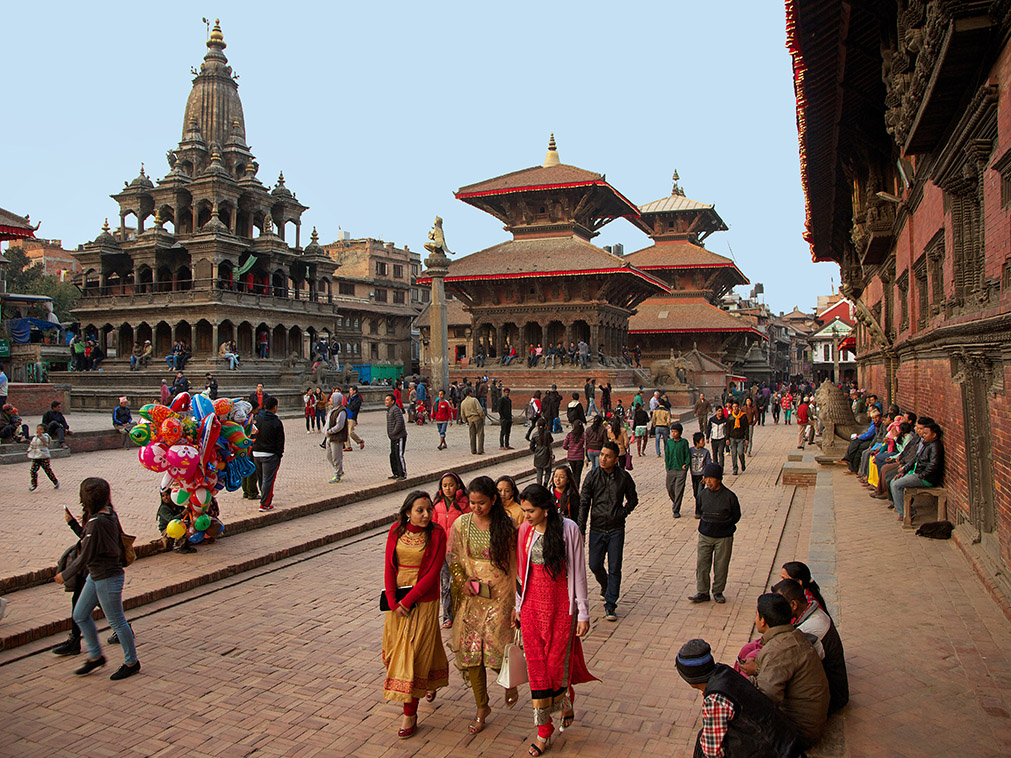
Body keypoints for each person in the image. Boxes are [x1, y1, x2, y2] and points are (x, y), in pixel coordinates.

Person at [514, 484, 596, 756]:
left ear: (546, 510)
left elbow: (578, 572)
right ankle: (543, 730)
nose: (526, 516)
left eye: (531, 511)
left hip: (562, 606)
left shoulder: (568, 529)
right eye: (524, 510)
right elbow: (521, 571)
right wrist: (517, 606)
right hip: (531, 608)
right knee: (536, 668)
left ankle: (565, 697)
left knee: (554, 664)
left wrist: (583, 611)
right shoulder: (525, 531)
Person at [448, 476, 519, 733]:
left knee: (497, 651)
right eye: (472, 503)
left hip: (500, 596)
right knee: (471, 653)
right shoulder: (461, 525)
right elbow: (454, 557)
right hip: (473, 597)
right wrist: (462, 580)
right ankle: (481, 705)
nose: (476, 508)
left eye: (482, 503)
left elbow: (514, 566)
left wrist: (515, 602)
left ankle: (509, 682)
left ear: (493, 501)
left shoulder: (507, 526)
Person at [54, 477, 141, 681]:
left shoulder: (97, 522)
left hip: (108, 577)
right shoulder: (108, 514)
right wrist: (74, 523)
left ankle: (132, 662)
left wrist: (64, 575)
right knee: (81, 614)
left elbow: (85, 556)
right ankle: (95, 656)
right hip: (97, 575)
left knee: (117, 622)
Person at [382, 491, 449, 739]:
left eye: (429, 510)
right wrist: (392, 600)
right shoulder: (395, 531)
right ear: (408, 511)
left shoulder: (437, 534)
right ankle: (429, 681)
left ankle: (410, 713)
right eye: (419, 510)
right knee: (397, 651)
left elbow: (433, 574)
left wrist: (408, 601)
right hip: (397, 603)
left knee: (414, 654)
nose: (425, 515)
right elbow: (390, 567)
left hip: (423, 601)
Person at [676, 638, 801, 758]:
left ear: (690, 680)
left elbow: (712, 752)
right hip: (784, 740)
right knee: (703, 737)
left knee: (704, 749)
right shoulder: (724, 671)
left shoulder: (715, 699)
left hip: (776, 751)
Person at [744, 594, 830, 749]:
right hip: (809, 722)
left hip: (800, 733)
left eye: (756, 616)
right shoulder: (793, 636)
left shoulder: (778, 648)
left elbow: (766, 698)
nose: (755, 620)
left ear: (763, 621)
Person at [578, 441, 638, 622]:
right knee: (594, 565)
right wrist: (581, 529)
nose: (603, 459)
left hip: (616, 528)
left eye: (608, 456)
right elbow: (584, 504)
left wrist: (622, 513)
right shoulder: (592, 476)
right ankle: (606, 585)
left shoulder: (624, 477)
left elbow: (633, 499)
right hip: (596, 527)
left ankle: (611, 604)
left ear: (615, 459)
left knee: (614, 566)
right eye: (602, 455)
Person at [773, 579, 849, 714]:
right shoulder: (812, 614)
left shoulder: (810, 629)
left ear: (794, 605)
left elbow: (789, 665)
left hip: (831, 697)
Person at [690, 463, 741, 604]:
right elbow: (700, 511)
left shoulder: (729, 497)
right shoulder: (702, 495)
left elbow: (736, 516)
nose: (708, 482)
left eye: (712, 479)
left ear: (719, 479)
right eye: (707, 478)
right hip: (705, 535)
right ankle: (702, 591)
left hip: (723, 537)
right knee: (702, 564)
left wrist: (725, 525)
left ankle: (718, 591)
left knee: (721, 565)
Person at [433, 472, 470, 628]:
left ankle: (463, 613)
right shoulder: (437, 505)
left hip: (459, 551)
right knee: (445, 584)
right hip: (442, 551)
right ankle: (447, 616)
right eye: (445, 485)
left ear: (458, 486)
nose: (448, 489)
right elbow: (433, 526)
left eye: (451, 485)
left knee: (460, 583)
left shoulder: (465, 504)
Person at [891, 422, 944, 522]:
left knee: (896, 485)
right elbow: (915, 458)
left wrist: (921, 475)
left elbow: (933, 465)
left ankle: (907, 513)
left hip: (926, 478)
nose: (923, 435)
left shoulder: (935, 447)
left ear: (934, 435)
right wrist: (905, 470)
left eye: (926, 433)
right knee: (893, 482)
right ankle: (903, 510)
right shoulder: (926, 445)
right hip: (919, 474)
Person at [252, 396, 285, 512]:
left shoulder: (257, 419)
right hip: (270, 454)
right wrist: (279, 455)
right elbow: (280, 441)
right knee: (268, 480)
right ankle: (264, 503)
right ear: (275, 407)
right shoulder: (276, 422)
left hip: (256, 452)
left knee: (262, 478)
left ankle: (265, 498)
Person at [842, 407, 881, 473]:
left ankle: (849, 460)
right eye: (873, 418)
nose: (875, 419)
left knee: (859, 446)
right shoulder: (874, 424)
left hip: (874, 442)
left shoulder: (879, 425)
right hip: (872, 440)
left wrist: (860, 437)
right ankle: (852, 466)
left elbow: (871, 435)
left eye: (876, 417)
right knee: (856, 444)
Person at [664, 422, 690, 518]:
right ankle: (675, 502)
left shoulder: (684, 442)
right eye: (672, 431)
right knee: (669, 488)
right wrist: (667, 466)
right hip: (671, 468)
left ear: (680, 433)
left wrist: (686, 465)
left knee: (679, 490)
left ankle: (676, 509)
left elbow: (687, 454)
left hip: (681, 470)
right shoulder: (669, 442)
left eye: (675, 432)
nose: (673, 433)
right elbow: (667, 454)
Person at [324, 392, 348, 483]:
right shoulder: (333, 410)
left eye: (331, 399)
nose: (329, 400)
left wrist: (331, 431)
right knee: (329, 455)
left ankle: (337, 474)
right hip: (330, 436)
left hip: (337, 436)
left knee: (336, 457)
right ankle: (339, 470)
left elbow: (340, 425)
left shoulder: (341, 411)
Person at [28, 423, 59, 491]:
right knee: (33, 471)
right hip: (36, 456)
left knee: (47, 470)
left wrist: (40, 436)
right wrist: (29, 450)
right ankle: (34, 485)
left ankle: (55, 482)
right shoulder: (35, 437)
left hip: (43, 456)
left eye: (40, 429)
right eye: (38, 429)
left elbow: (46, 442)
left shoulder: (45, 436)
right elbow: (32, 444)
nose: (38, 430)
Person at [689, 432, 713, 519]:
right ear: (696, 442)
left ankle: (698, 511)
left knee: (699, 493)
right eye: (702, 441)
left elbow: (708, 464)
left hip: (701, 476)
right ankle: (701, 507)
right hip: (694, 475)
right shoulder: (690, 451)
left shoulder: (706, 452)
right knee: (695, 493)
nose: (704, 443)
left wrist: (706, 475)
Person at [385, 393, 408, 481]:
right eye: (386, 400)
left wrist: (394, 432)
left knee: (399, 455)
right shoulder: (389, 410)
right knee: (393, 455)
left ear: (392, 401)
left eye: (388, 400)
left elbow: (399, 422)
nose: (386, 401)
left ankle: (402, 473)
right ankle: (396, 473)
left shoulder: (395, 410)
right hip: (393, 437)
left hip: (399, 436)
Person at [460, 387, 485, 455]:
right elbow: (479, 409)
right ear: (469, 393)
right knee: (480, 434)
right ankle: (480, 449)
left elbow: (462, 414)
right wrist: (482, 416)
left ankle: (473, 450)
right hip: (477, 418)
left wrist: (465, 420)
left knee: (472, 435)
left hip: (469, 419)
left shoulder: (463, 403)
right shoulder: (474, 400)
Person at [726, 401, 749, 475]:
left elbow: (746, 428)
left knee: (740, 452)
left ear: (738, 407)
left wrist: (747, 438)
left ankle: (743, 463)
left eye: (736, 407)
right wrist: (727, 438)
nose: (735, 408)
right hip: (732, 438)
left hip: (741, 437)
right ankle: (735, 469)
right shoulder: (730, 417)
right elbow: (727, 428)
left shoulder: (743, 416)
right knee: (734, 454)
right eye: (733, 407)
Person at [562, 419, 586, 488]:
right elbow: (587, 445)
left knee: (573, 473)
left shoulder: (569, 435)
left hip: (571, 457)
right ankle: (576, 488)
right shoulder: (583, 436)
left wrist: (570, 449)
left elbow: (564, 446)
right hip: (579, 457)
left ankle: (572, 487)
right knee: (577, 475)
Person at [530, 418, 554, 487]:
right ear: (545, 425)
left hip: (538, 454)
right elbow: (551, 440)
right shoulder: (547, 433)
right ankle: (545, 483)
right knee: (548, 470)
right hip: (546, 453)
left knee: (539, 472)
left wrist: (536, 450)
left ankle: (539, 485)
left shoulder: (535, 434)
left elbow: (531, 446)